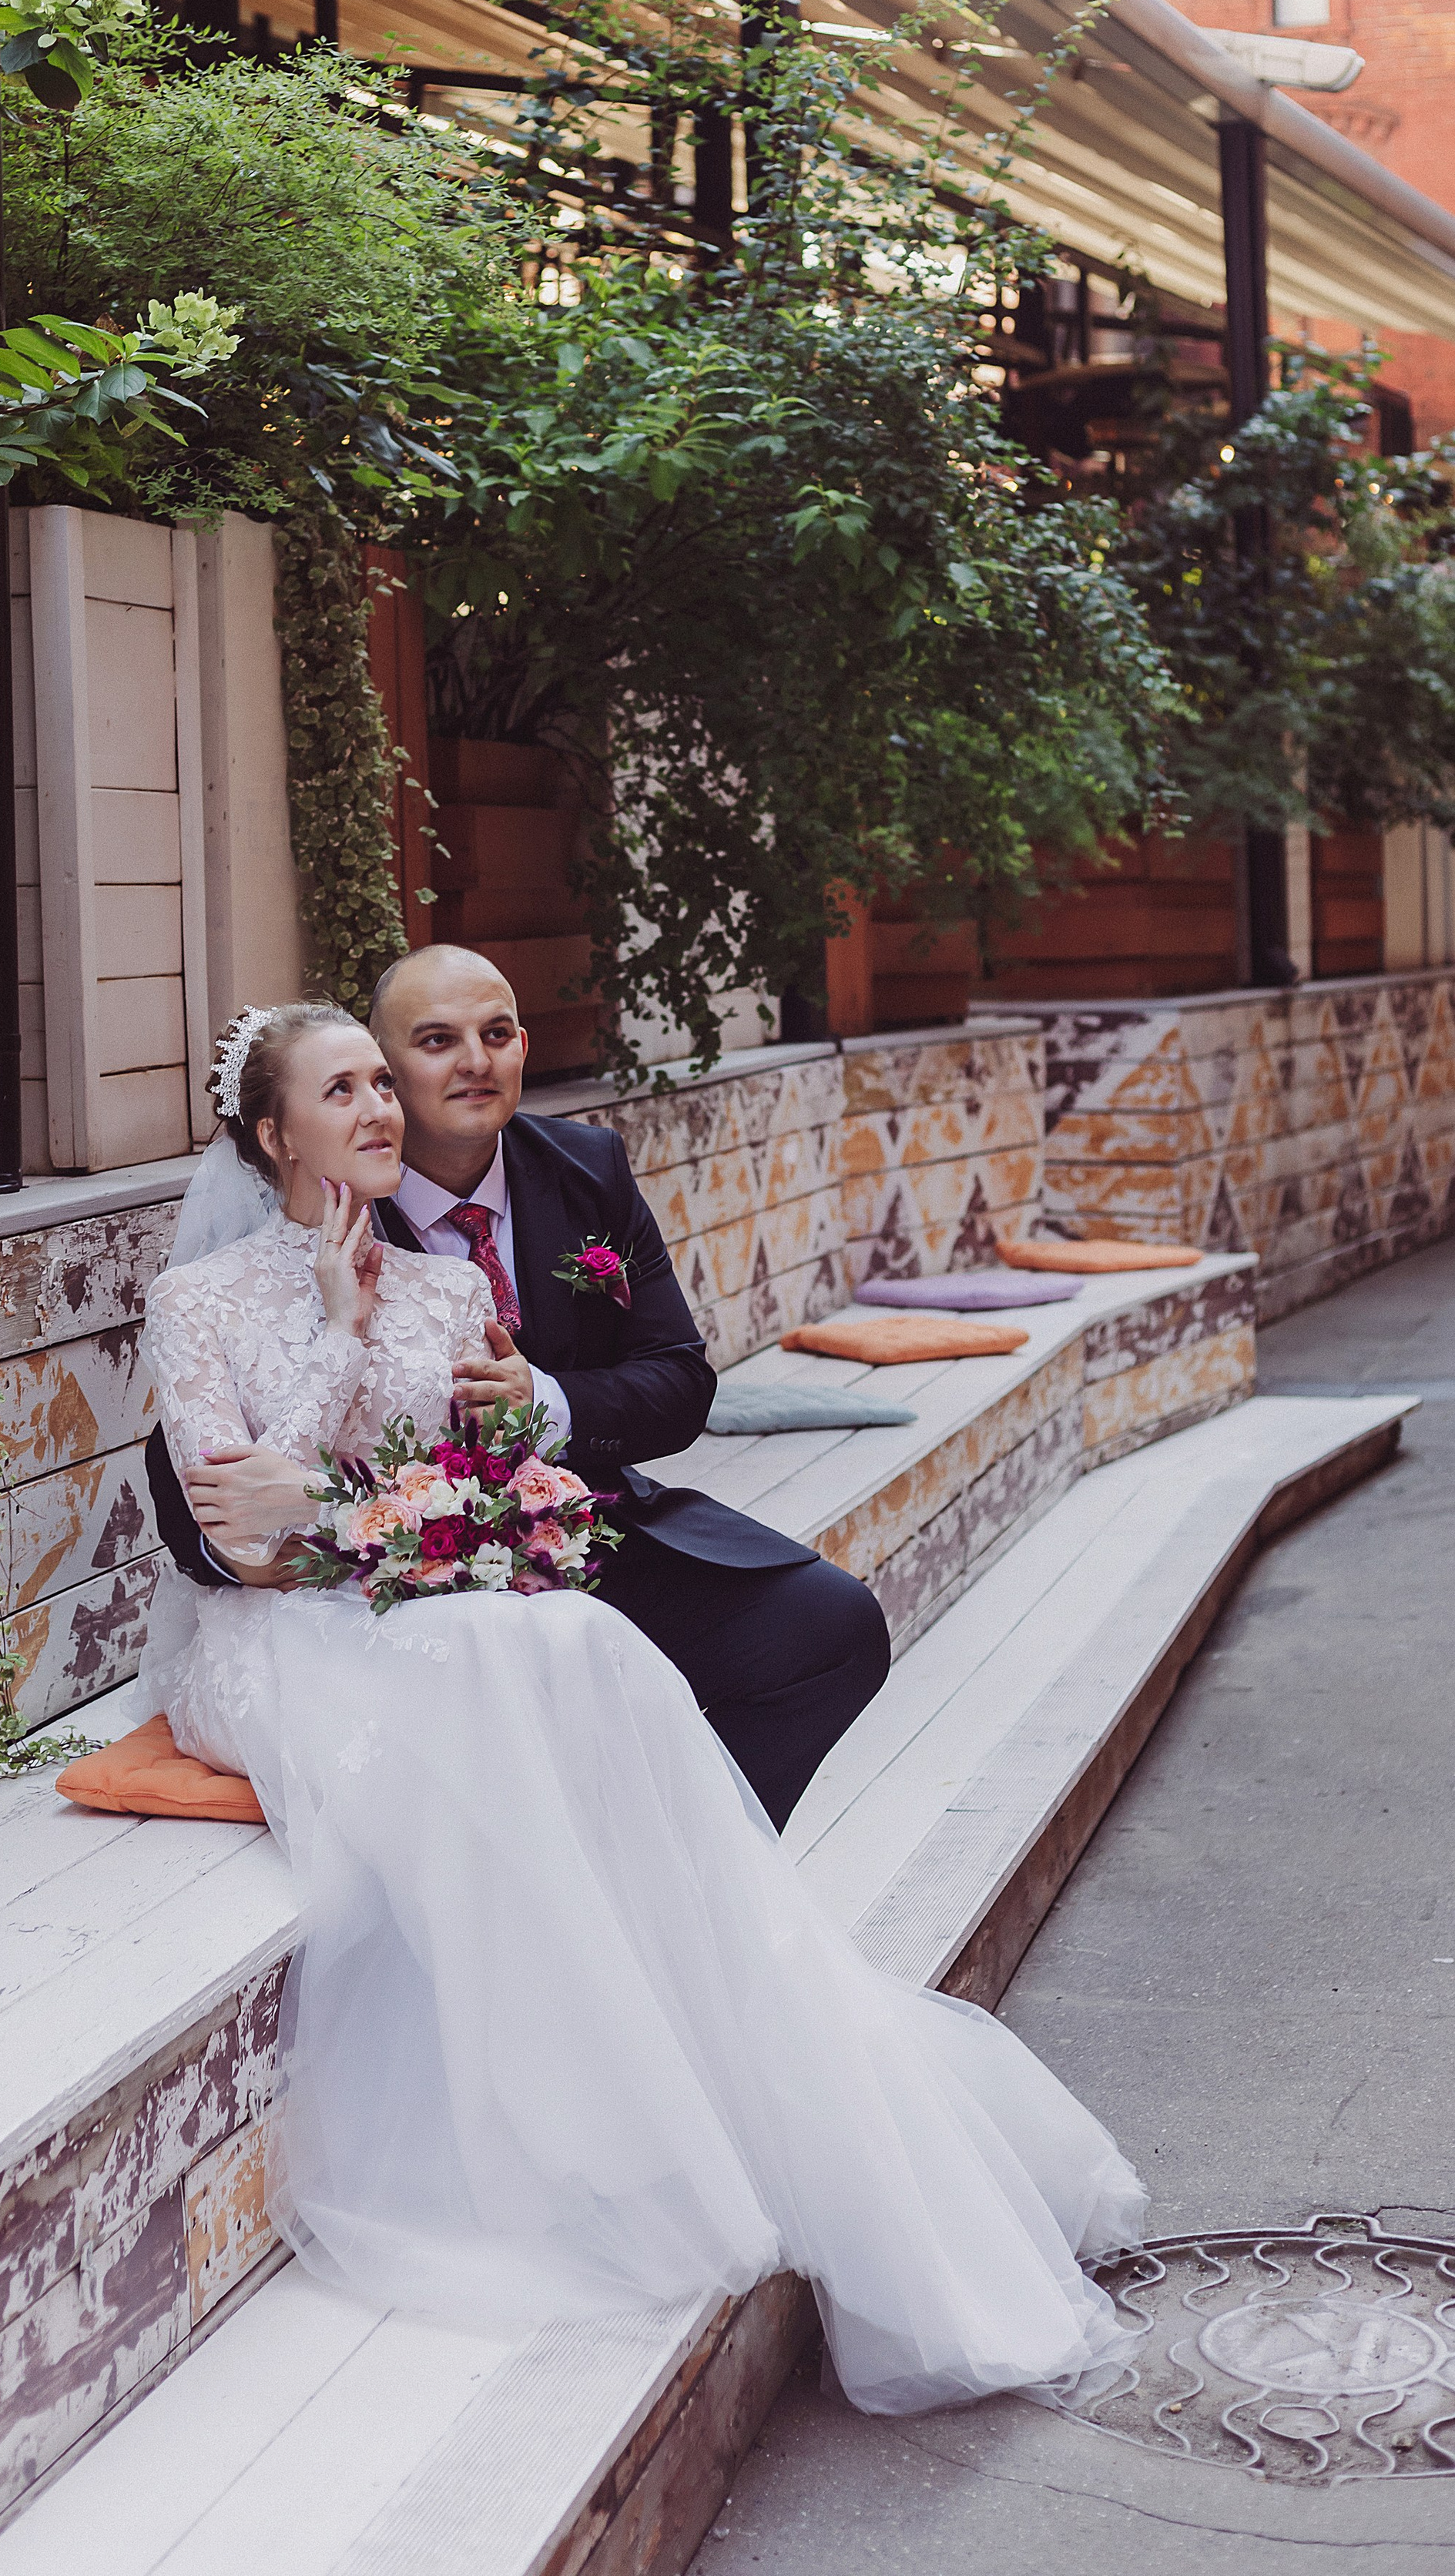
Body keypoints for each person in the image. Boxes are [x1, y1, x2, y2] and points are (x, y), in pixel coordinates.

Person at [138, 998, 1145, 2415]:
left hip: (428, 1606)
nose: (380, 1109)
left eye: (385, 1082)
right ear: (269, 1134)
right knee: (511, 1660)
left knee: (584, 1650)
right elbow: (242, 1530)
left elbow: (478, 1489)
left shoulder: (448, 1293)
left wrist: (441, 1512)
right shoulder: (202, 1302)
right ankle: (572, 2084)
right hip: (280, 1639)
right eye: (344, 1089)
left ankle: (669, 1994)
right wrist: (338, 1337)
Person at [146, 946, 890, 1830]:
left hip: (541, 1532)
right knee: (533, 1673)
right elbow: (209, 1495)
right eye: (432, 1043)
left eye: (496, 1034)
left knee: (827, 1627)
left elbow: (680, 1380)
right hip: (354, 1589)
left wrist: (543, 1400)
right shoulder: (288, 1232)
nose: (473, 1062)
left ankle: (688, 1877)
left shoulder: (581, 1173)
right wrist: (292, 1523)